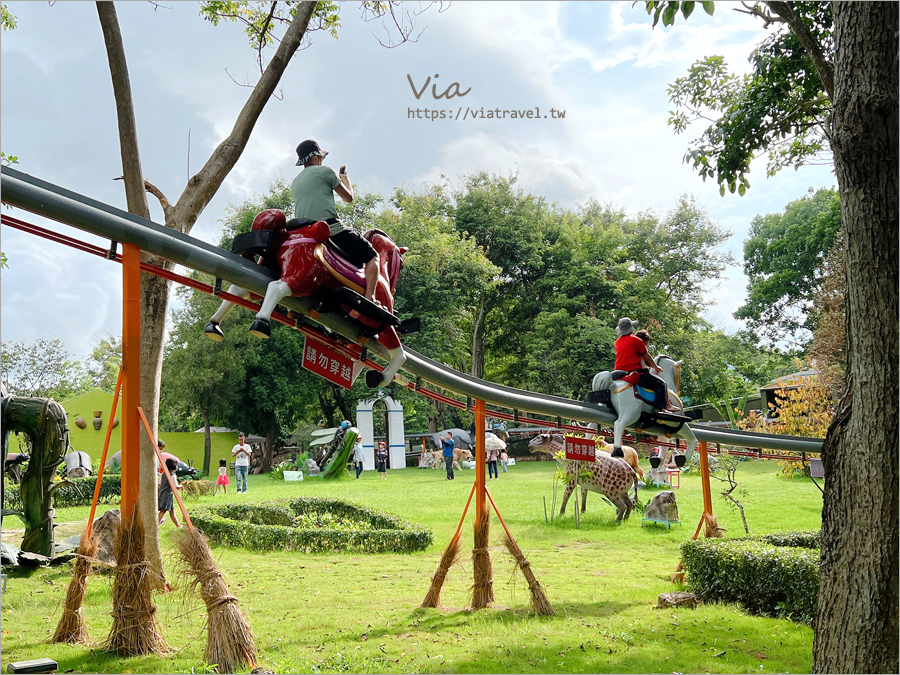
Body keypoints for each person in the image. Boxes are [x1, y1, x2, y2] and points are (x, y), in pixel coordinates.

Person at [291, 139, 379, 303]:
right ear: (317, 157)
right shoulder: (325, 171)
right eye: (321, 157)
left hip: (303, 232)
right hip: (330, 229)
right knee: (373, 256)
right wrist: (346, 181)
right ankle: (370, 297)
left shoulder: (295, 182)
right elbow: (349, 198)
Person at [613, 317, 678, 412]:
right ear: (631, 328)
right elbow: (647, 356)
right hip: (636, 372)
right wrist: (656, 367)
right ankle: (660, 407)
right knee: (661, 384)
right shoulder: (636, 340)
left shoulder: (617, 342)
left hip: (619, 373)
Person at [157, 458, 183, 528]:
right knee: (163, 511)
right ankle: (155, 524)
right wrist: (180, 486)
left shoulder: (163, 474)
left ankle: (178, 525)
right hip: (168, 495)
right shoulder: (172, 476)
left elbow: (160, 483)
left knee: (172, 511)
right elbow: (175, 486)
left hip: (162, 493)